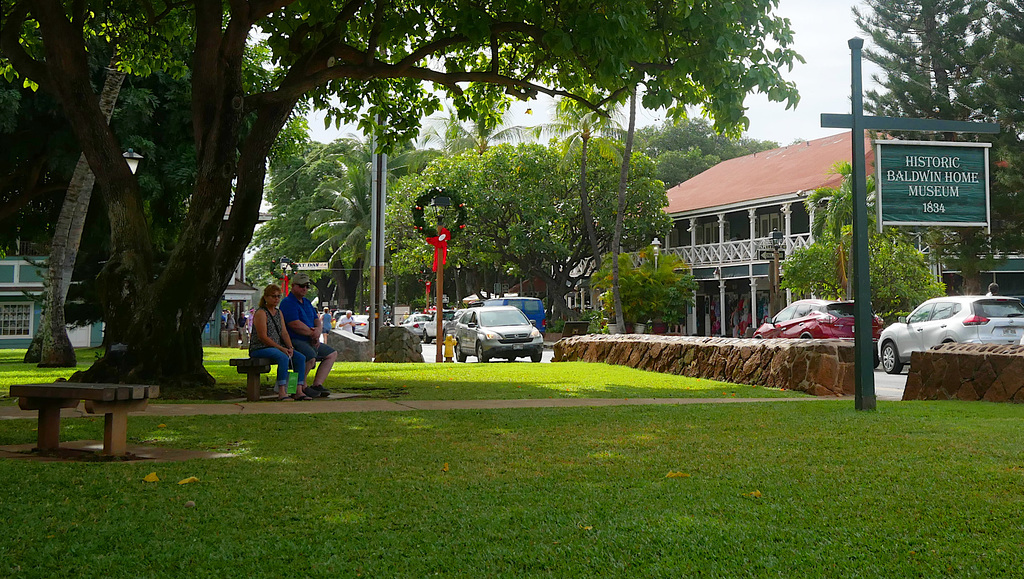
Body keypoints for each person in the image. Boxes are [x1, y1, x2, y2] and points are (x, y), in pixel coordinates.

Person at [249, 284, 315, 401]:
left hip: (278, 347)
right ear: (265, 297)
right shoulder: (261, 313)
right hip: (260, 348)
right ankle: (282, 391)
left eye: (278, 296)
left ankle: (296, 389)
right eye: (273, 296)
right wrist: (281, 348)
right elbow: (263, 337)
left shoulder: (279, 313)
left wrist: (290, 347)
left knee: (299, 358)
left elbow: (284, 332)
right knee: (283, 357)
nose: (276, 299)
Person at [280, 273, 337, 398]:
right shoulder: (288, 303)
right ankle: (300, 387)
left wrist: (317, 331)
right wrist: (313, 334)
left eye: (307, 286)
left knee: (331, 354)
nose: (304, 289)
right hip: (294, 340)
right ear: (293, 286)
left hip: (310, 340)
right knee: (308, 356)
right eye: (301, 286)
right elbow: (294, 324)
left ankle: (317, 385)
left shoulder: (306, 302)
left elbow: (316, 319)